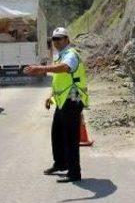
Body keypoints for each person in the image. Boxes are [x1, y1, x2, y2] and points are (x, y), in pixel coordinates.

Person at [24, 27, 89, 183]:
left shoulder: (71, 55)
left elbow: (65, 69)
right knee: (57, 134)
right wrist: (51, 96)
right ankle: (61, 163)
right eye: (54, 39)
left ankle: (74, 172)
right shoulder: (60, 56)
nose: (57, 42)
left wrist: (40, 69)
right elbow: (59, 80)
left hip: (73, 100)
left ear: (67, 40)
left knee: (70, 138)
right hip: (62, 100)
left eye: (60, 38)